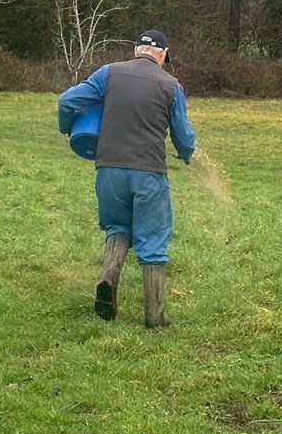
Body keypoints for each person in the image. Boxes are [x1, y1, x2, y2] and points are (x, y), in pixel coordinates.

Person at [58, 30, 196, 328]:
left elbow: (67, 101)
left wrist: (67, 128)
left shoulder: (108, 73)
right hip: (149, 173)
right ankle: (155, 315)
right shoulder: (171, 86)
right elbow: (183, 137)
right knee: (153, 239)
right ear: (163, 54)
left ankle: (108, 277)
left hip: (108, 169)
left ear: (136, 50)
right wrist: (187, 155)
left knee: (118, 226)